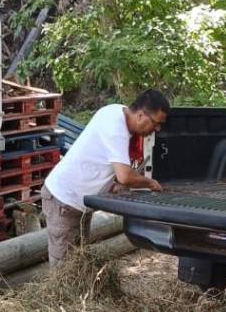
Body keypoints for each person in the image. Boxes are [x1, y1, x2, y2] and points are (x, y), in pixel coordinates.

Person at [41, 89, 170, 265]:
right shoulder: (116, 128)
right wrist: (150, 183)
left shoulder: (117, 111)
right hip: (63, 200)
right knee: (63, 272)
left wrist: (111, 184)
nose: (156, 129)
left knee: (79, 264)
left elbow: (104, 161)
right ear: (141, 115)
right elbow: (124, 176)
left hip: (80, 202)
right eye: (156, 124)